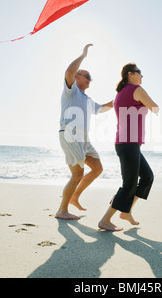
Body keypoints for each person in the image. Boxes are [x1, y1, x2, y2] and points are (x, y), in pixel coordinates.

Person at [98, 63, 159, 231]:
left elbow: (105, 107)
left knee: (147, 177)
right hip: (128, 144)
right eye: (140, 73)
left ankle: (126, 211)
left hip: (129, 144)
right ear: (131, 74)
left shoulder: (119, 93)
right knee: (129, 184)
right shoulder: (136, 90)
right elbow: (155, 108)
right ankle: (105, 220)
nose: (142, 76)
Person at [56, 44, 113, 220]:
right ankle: (62, 210)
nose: (90, 79)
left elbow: (103, 108)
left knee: (97, 168)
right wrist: (83, 55)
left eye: (91, 77)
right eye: (87, 76)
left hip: (84, 138)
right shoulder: (71, 90)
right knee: (77, 174)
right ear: (77, 76)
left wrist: (120, 97)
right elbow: (68, 72)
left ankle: (74, 196)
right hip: (70, 133)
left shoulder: (87, 99)